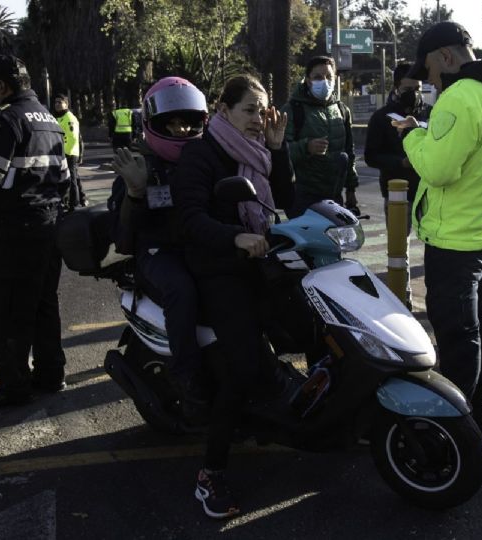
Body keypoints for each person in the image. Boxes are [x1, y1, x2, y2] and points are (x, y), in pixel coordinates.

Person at [395, 22, 482, 439]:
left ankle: (455, 426)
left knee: (457, 337)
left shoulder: (461, 96)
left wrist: (413, 135)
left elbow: (437, 169)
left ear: (446, 57)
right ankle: (480, 412)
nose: (431, 79)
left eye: (430, 69)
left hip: (454, 238)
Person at [173, 74, 293, 519]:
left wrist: (279, 151)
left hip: (262, 262)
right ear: (222, 110)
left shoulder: (260, 153)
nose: (260, 120)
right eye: (250, 111)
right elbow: (190, 219)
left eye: (264, 112)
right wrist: (235, 238)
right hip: (219, 271)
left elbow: (287, 203)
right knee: (242, 367)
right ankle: (211, 474)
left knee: (309, 326)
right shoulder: (200, 155)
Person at [0, 55, 70, 409]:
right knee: (43, 303)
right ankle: (51, 373)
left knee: (7, 311)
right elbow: (65, 178)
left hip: (17, 231)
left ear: (2, 85)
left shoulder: (6, 119)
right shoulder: (50, 120)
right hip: (50, 225)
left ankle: (13, 384)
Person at [109, 77, 209, 409]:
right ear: (154, 124)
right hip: (156, 250)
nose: (181, 131)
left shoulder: (204, 155)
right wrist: (135, 192)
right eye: (173, 123)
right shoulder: (137, 160)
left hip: (199, 242)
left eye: (187, 123)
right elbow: (123, 235)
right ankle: (188, 376)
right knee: (181, 289)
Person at [281, 56, 359, 217]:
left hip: (334, 197)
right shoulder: (292, 109)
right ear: (308, 80)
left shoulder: (341, 110)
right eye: (317, 77)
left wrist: (351, 189)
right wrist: (306, 147)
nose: (324, 82)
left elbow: (349, 152)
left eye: (329, 77)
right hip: (302, 197)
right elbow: (279, 153)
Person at [364, 63, 432, 229]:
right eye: (408, 89)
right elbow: (371, 156)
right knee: (399, 248)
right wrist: (400, 162)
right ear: (396, 87)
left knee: (435, 243)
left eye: (418, 88)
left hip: (429, 192)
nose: (414, 94)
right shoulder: (381, 117)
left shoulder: (432, 113)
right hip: (397, 191)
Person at [53, 94, 88, 209]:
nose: (57, 104)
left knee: (71, 179)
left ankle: (74, 204)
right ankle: (82, 199)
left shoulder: (69, 118)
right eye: (56, 102)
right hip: (63, 153)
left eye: (60, 102)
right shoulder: (58, 117)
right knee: (75, 177)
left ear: (66, 104)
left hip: (69, 153)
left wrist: (64, 153)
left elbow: (73, 138)